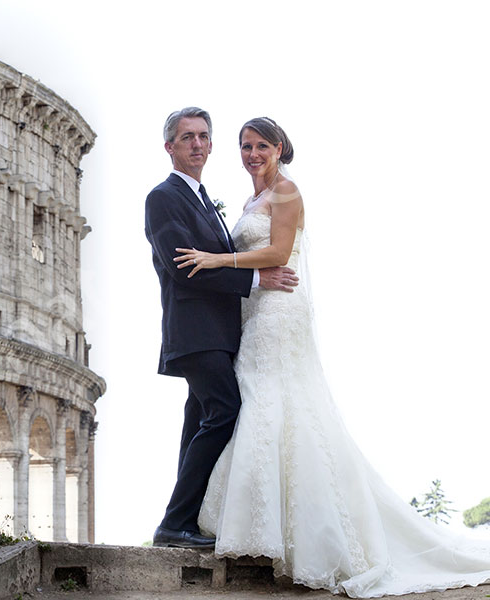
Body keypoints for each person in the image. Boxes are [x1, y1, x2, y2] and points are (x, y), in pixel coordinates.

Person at [174, 117, 490, 597]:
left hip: (279, 310)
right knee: (257, 406)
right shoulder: (252, 199)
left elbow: (279, 250)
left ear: (279, 149)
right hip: (252, 313)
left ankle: (303, 537)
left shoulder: (288, 191)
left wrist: (219, 260)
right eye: (245, 146)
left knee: (277, 404)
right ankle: (257, 528)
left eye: (261, 146)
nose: (252, 153)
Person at [144, 108, 298, 549]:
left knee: (199, 421)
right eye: (187, 137)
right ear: (169, 147)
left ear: (211, 146)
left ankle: (184, 521)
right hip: (195, 331)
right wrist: (254, 280)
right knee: (225, 411)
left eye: (204, 136)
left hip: (220, 332)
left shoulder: (202, 197)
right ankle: (175, 523)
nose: (197, 144)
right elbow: (181, 265)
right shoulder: (164, 196)